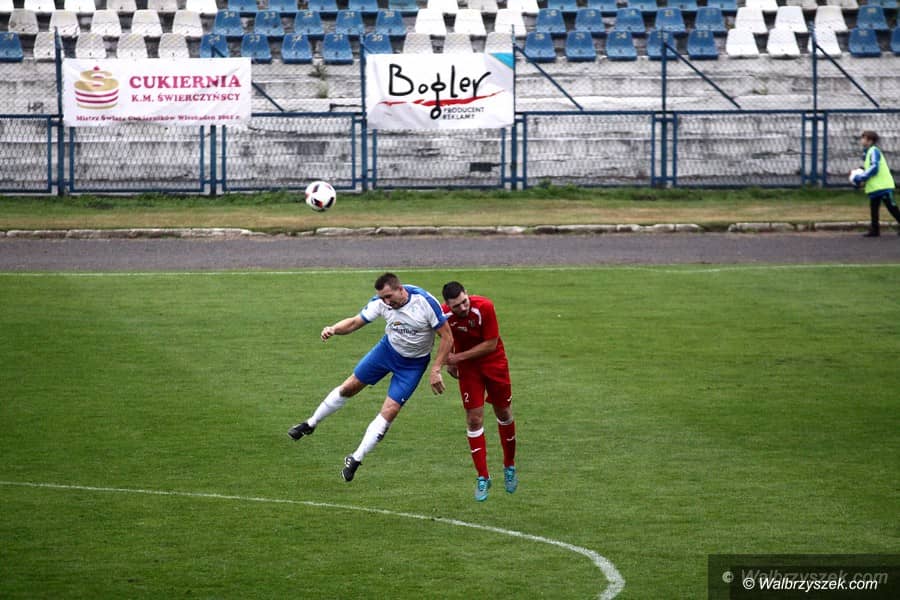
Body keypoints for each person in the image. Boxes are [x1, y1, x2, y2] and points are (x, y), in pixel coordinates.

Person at [288, 272, 453, 482]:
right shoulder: (381, 303)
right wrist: (333, 329)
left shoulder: (424, 302)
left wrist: (436, 369)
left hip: (413, 365)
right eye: (383, 298)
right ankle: (310, 423)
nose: (386, 302)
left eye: (388, 297)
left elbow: (447, 336)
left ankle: (356, 458)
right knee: (349, 387)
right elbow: (355, 322)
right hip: (386, 351)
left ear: (400, 289)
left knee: (390, 410)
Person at [441, 281, 517, 502]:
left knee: (503, 412)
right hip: (469, 369)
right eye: (456, 306)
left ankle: (509, 465)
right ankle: (483, 476)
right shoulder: (443, 314)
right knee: (474, 419)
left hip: (494, 363)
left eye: (464, 302)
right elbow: (445, 336)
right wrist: (449, 359)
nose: (463, 308)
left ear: (467, 294)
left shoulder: (485, 307)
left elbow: (491, 344)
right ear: (448, 305)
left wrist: (456, 358)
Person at [851, 130, 900, 237]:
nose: (861, 140)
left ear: (870, 141)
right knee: (874, 207)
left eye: (863, 138)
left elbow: (874, 167)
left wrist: (861, 177)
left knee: (891, 207)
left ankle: (875, 229)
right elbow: (868, 167)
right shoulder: (868, 152)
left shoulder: (874, 151)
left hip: (883, 186)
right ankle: (875, 229)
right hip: (875, 187)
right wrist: (860, 172)